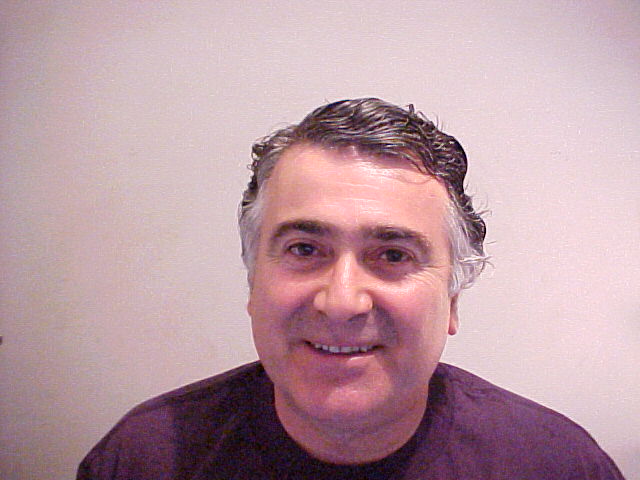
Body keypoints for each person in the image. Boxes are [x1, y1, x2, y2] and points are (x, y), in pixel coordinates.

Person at [77, 98, 625, 479]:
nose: (341, 302)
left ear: (453, 298)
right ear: (252, 281)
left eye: (393, 255)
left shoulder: (556, 465)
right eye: (304, 250)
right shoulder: (145, 459)